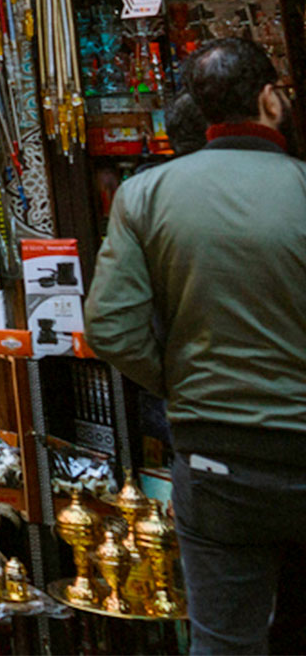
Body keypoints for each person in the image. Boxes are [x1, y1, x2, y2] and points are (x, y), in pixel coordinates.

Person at [85, 37, 305, 656]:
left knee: (223, 641)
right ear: (269, 99)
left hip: (215, 456)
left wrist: (181, 381)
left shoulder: (146, 195)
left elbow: (111, 329)